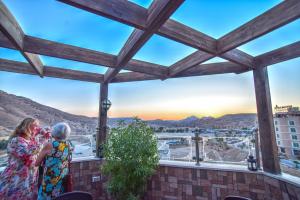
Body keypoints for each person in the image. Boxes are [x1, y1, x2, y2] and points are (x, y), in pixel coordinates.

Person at [0, 118, 50, 199]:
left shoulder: (31, 140)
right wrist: (44, 139)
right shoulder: (17, 140)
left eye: (38, 126)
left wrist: (42, 134)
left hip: (29, 178)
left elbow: (36, 150)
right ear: (27, 127)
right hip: (16, 178)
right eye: (35, 126)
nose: (37, 128)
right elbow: (28, 153)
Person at [36, 122, 73, 200]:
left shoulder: (50, 145)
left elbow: (37, 163)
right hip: (62, 176)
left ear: (55, 132)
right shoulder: (70, 144)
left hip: (50, 179)